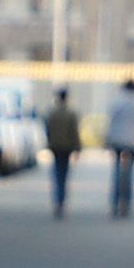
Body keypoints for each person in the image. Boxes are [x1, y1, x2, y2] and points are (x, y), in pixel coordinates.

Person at [101, 77, 134, 216]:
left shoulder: (116, 102)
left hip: (117, 141)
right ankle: (126, 203)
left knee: (116, 172)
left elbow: (110, 122)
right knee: (130, 174)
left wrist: (107, 140)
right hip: (133, 141)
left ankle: (115, 202)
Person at [42, 88, 84, 216]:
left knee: (56, 174)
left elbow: (47, 130)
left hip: (55, 147)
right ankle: (61, 201)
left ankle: (57, 200)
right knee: (64, 176)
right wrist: (77, 148)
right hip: (67, 147)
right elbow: (74, 132)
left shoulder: (51, 113)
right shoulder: (71, 114)